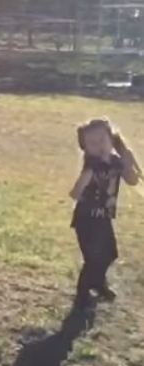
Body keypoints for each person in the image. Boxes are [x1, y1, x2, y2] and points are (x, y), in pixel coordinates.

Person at [68, 118, 142, 309]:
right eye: (92, 143)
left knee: (110, 254)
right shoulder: (91, 166)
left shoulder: (116, 162)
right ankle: (83, 296)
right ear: (85, 148)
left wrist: (129, 162)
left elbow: (133, 181)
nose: (99, 146)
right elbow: (74, 194)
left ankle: (99, 284)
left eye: (103, 140)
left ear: (112, 139)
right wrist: (84, 180)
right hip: (86, 219)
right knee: (93, 259)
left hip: (104, 217)